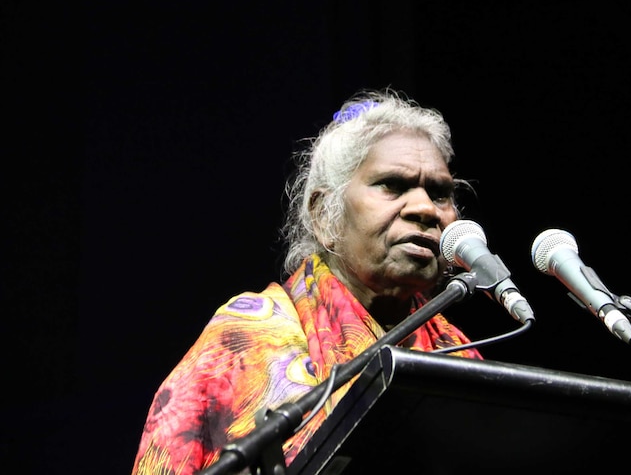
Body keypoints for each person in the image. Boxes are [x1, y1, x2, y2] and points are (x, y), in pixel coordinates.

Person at [131, 87, 484, 475]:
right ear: (324, 216)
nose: (424, 209)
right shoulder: (243, 338)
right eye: (392, 185)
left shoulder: (462, 355)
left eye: (440, 193)